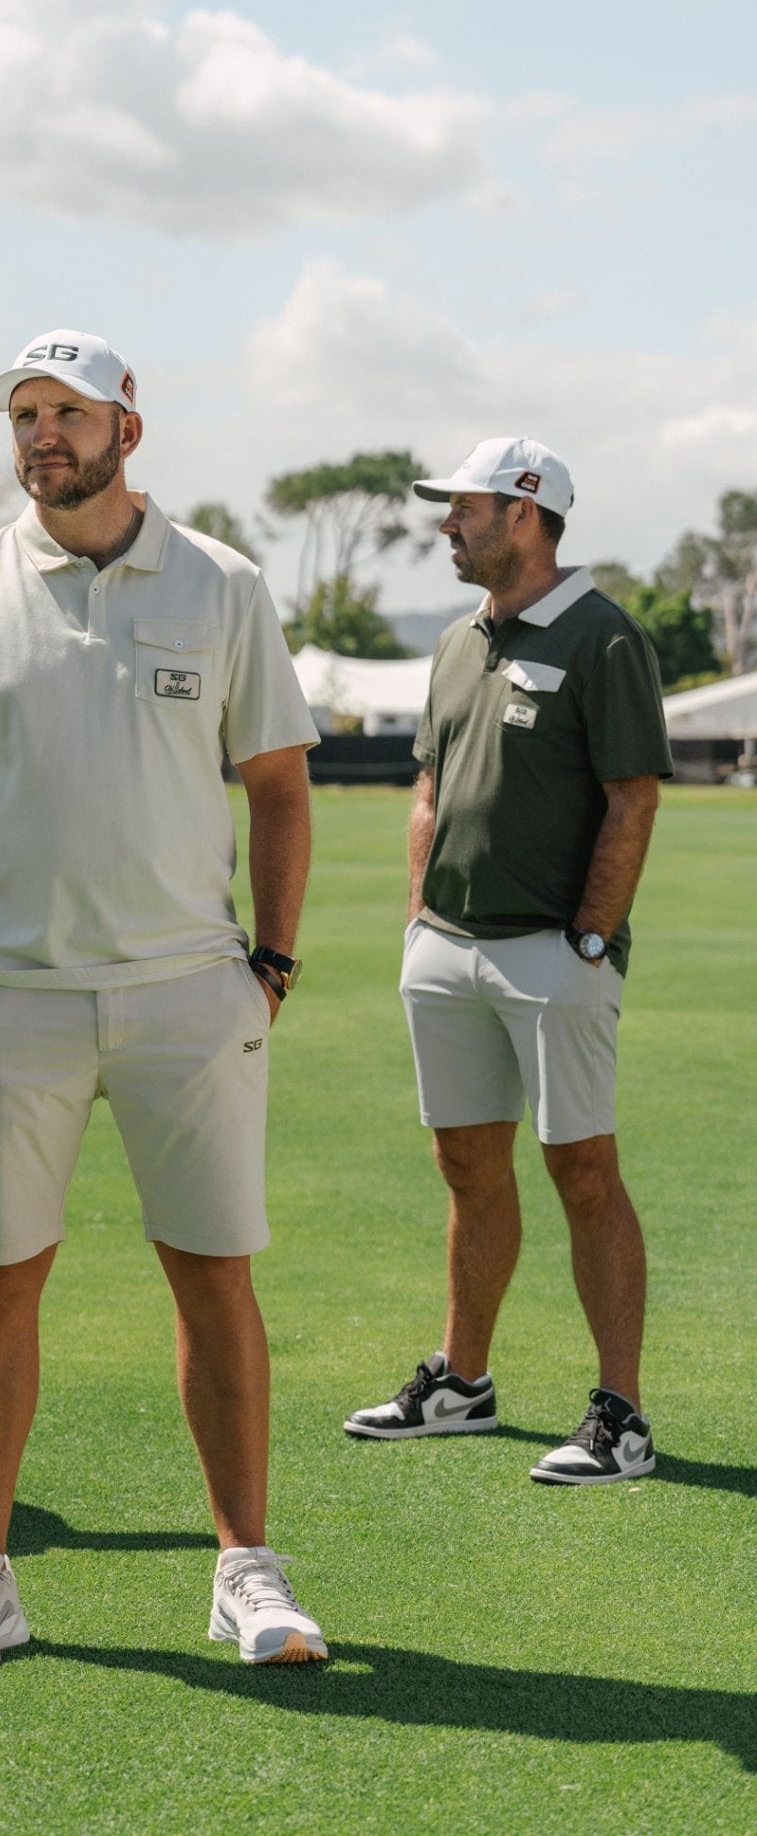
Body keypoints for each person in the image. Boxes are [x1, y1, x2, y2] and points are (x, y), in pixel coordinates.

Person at [0, 329, 327, 1671]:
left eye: (66, 412)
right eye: (23, 415)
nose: (39, 436)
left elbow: (282, 785)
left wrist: (273, 966)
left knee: (214, 1280)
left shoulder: (224, 585)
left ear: (130, 427)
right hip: (7, 998)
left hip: (191, 994)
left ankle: (246, 1569)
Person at [344, 438, 673, 1485]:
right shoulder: (456, 641)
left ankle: (620, 1415)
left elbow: (632, 795)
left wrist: (589, 937)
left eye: (464, 508)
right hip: (447, 949)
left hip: (552, 953)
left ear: (525, 512)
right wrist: (417, 922)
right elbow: (430, 793)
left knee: (583, 1169)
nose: (445, 523)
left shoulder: (605, 636)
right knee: (465, 1165)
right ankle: (464, 1386)